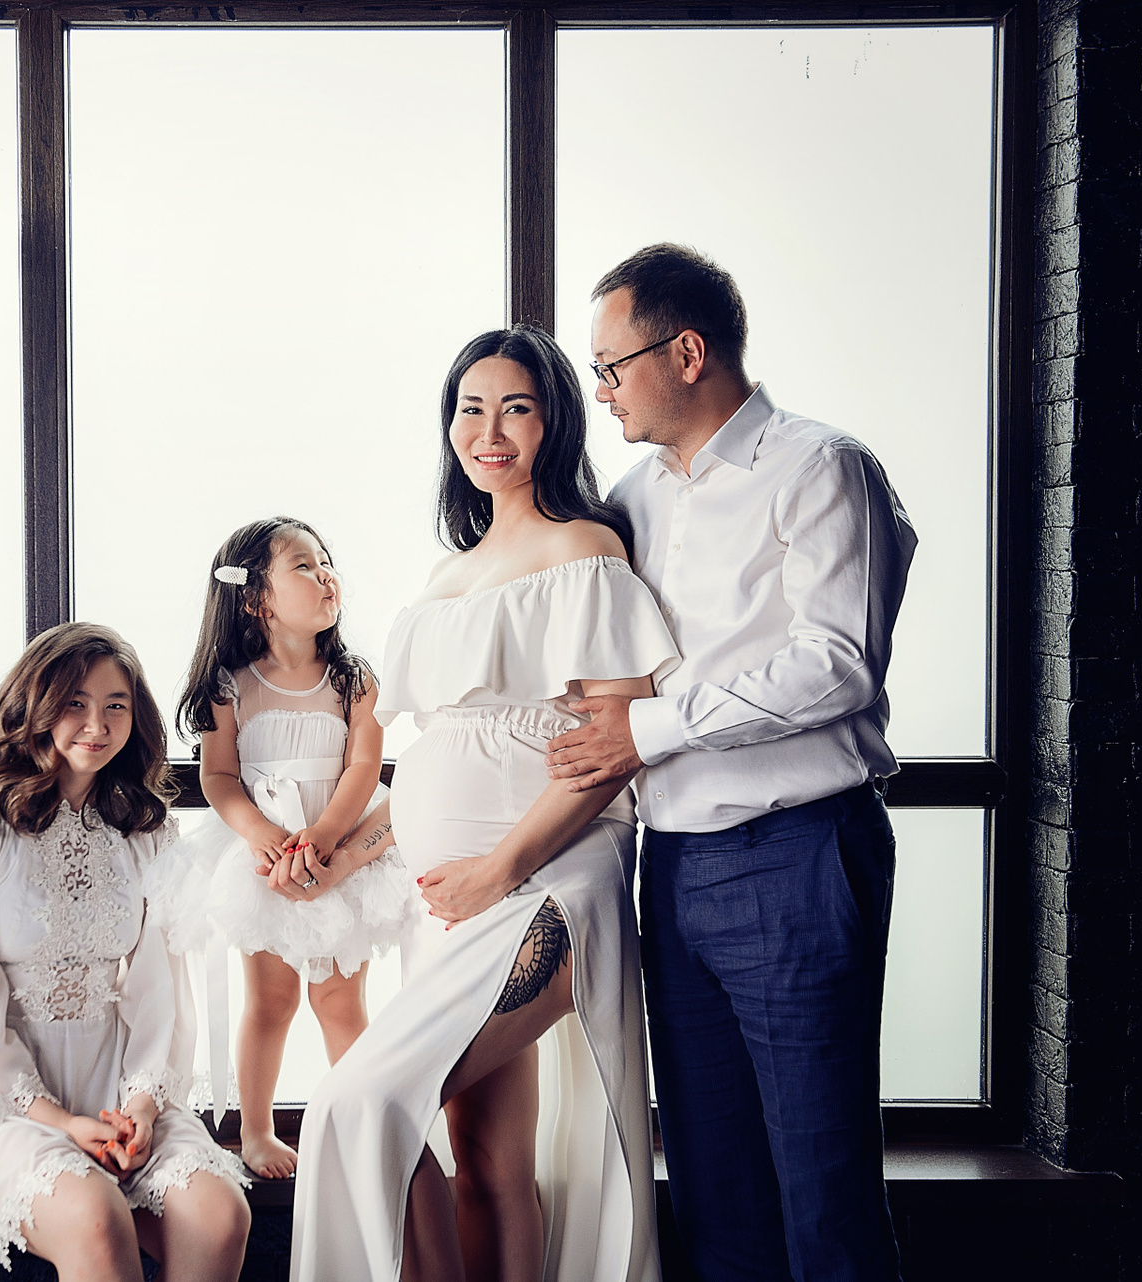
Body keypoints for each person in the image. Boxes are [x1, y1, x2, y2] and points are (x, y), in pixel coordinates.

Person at [545, 243, 916, 1282]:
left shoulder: (821, 467)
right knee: (714, 1193)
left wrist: (649, 729)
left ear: (688, 352)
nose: (602, 390)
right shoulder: (634, 497)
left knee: (824, 1190)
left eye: (612, 366)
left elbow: (837, 664)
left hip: (798, 853)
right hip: (673, 867)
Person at [291, 326, 676, 1282]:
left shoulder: (583, 550)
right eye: (471, 409)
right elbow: (438, 754)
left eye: (516, 408)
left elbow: (612, 749)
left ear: (555, 422)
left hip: (542, 890)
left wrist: (498, 871)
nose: (489, 432)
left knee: (355, 1105)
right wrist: (346, 851)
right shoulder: (446, 578)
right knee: (488, 1162)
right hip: (448, 907)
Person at [0, 623, 252, 1282]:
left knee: (220, 1213)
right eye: (75, 703)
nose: (97, 725)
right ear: (35, 704)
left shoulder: (146, 831)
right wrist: (60, 1122)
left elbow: (159, 992)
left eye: (116, 705)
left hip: (116, 1088)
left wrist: (140, 1107)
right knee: (94, 1214)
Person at [145, 518, 414, 1178]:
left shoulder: (355, 681)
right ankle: (257, 1131)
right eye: (303, 565)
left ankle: (360, 1126)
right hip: (265, 863)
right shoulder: (231, 686)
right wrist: (260, 834)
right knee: (270, 1002)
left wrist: (327, 836)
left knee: (339, 1000)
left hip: (338, 851)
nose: (326, 575)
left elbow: (363, 769)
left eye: (326, 562)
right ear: (255, 598)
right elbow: (219, 777)